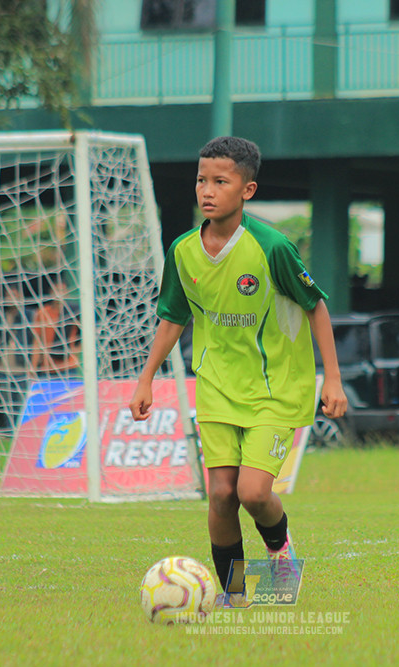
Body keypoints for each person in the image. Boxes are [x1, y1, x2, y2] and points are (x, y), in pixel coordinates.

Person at [129, 136, 347, 606]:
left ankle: (280, 553)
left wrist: (332, 377)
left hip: (274, 389)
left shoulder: (272, 247)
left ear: (247, 190)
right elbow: (173, 318)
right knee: (221, 495)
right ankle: (234, 594)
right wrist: (146, 379)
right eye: (201, 180)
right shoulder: (183, 251)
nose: (207, 191)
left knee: (253, 492)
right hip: (217, 387)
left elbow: (316, 306)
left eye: (220, 182)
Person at [30, 279, 81, 375]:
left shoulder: (73, 313)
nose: (59, 294)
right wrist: (33, 367)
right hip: (48, 367)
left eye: (62, 290)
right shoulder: (43, 313)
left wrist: (76, 351)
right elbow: (37, 342)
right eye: (56, 290)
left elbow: (83, 336)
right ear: (51, 292)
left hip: (68, 367)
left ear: (67, 293)